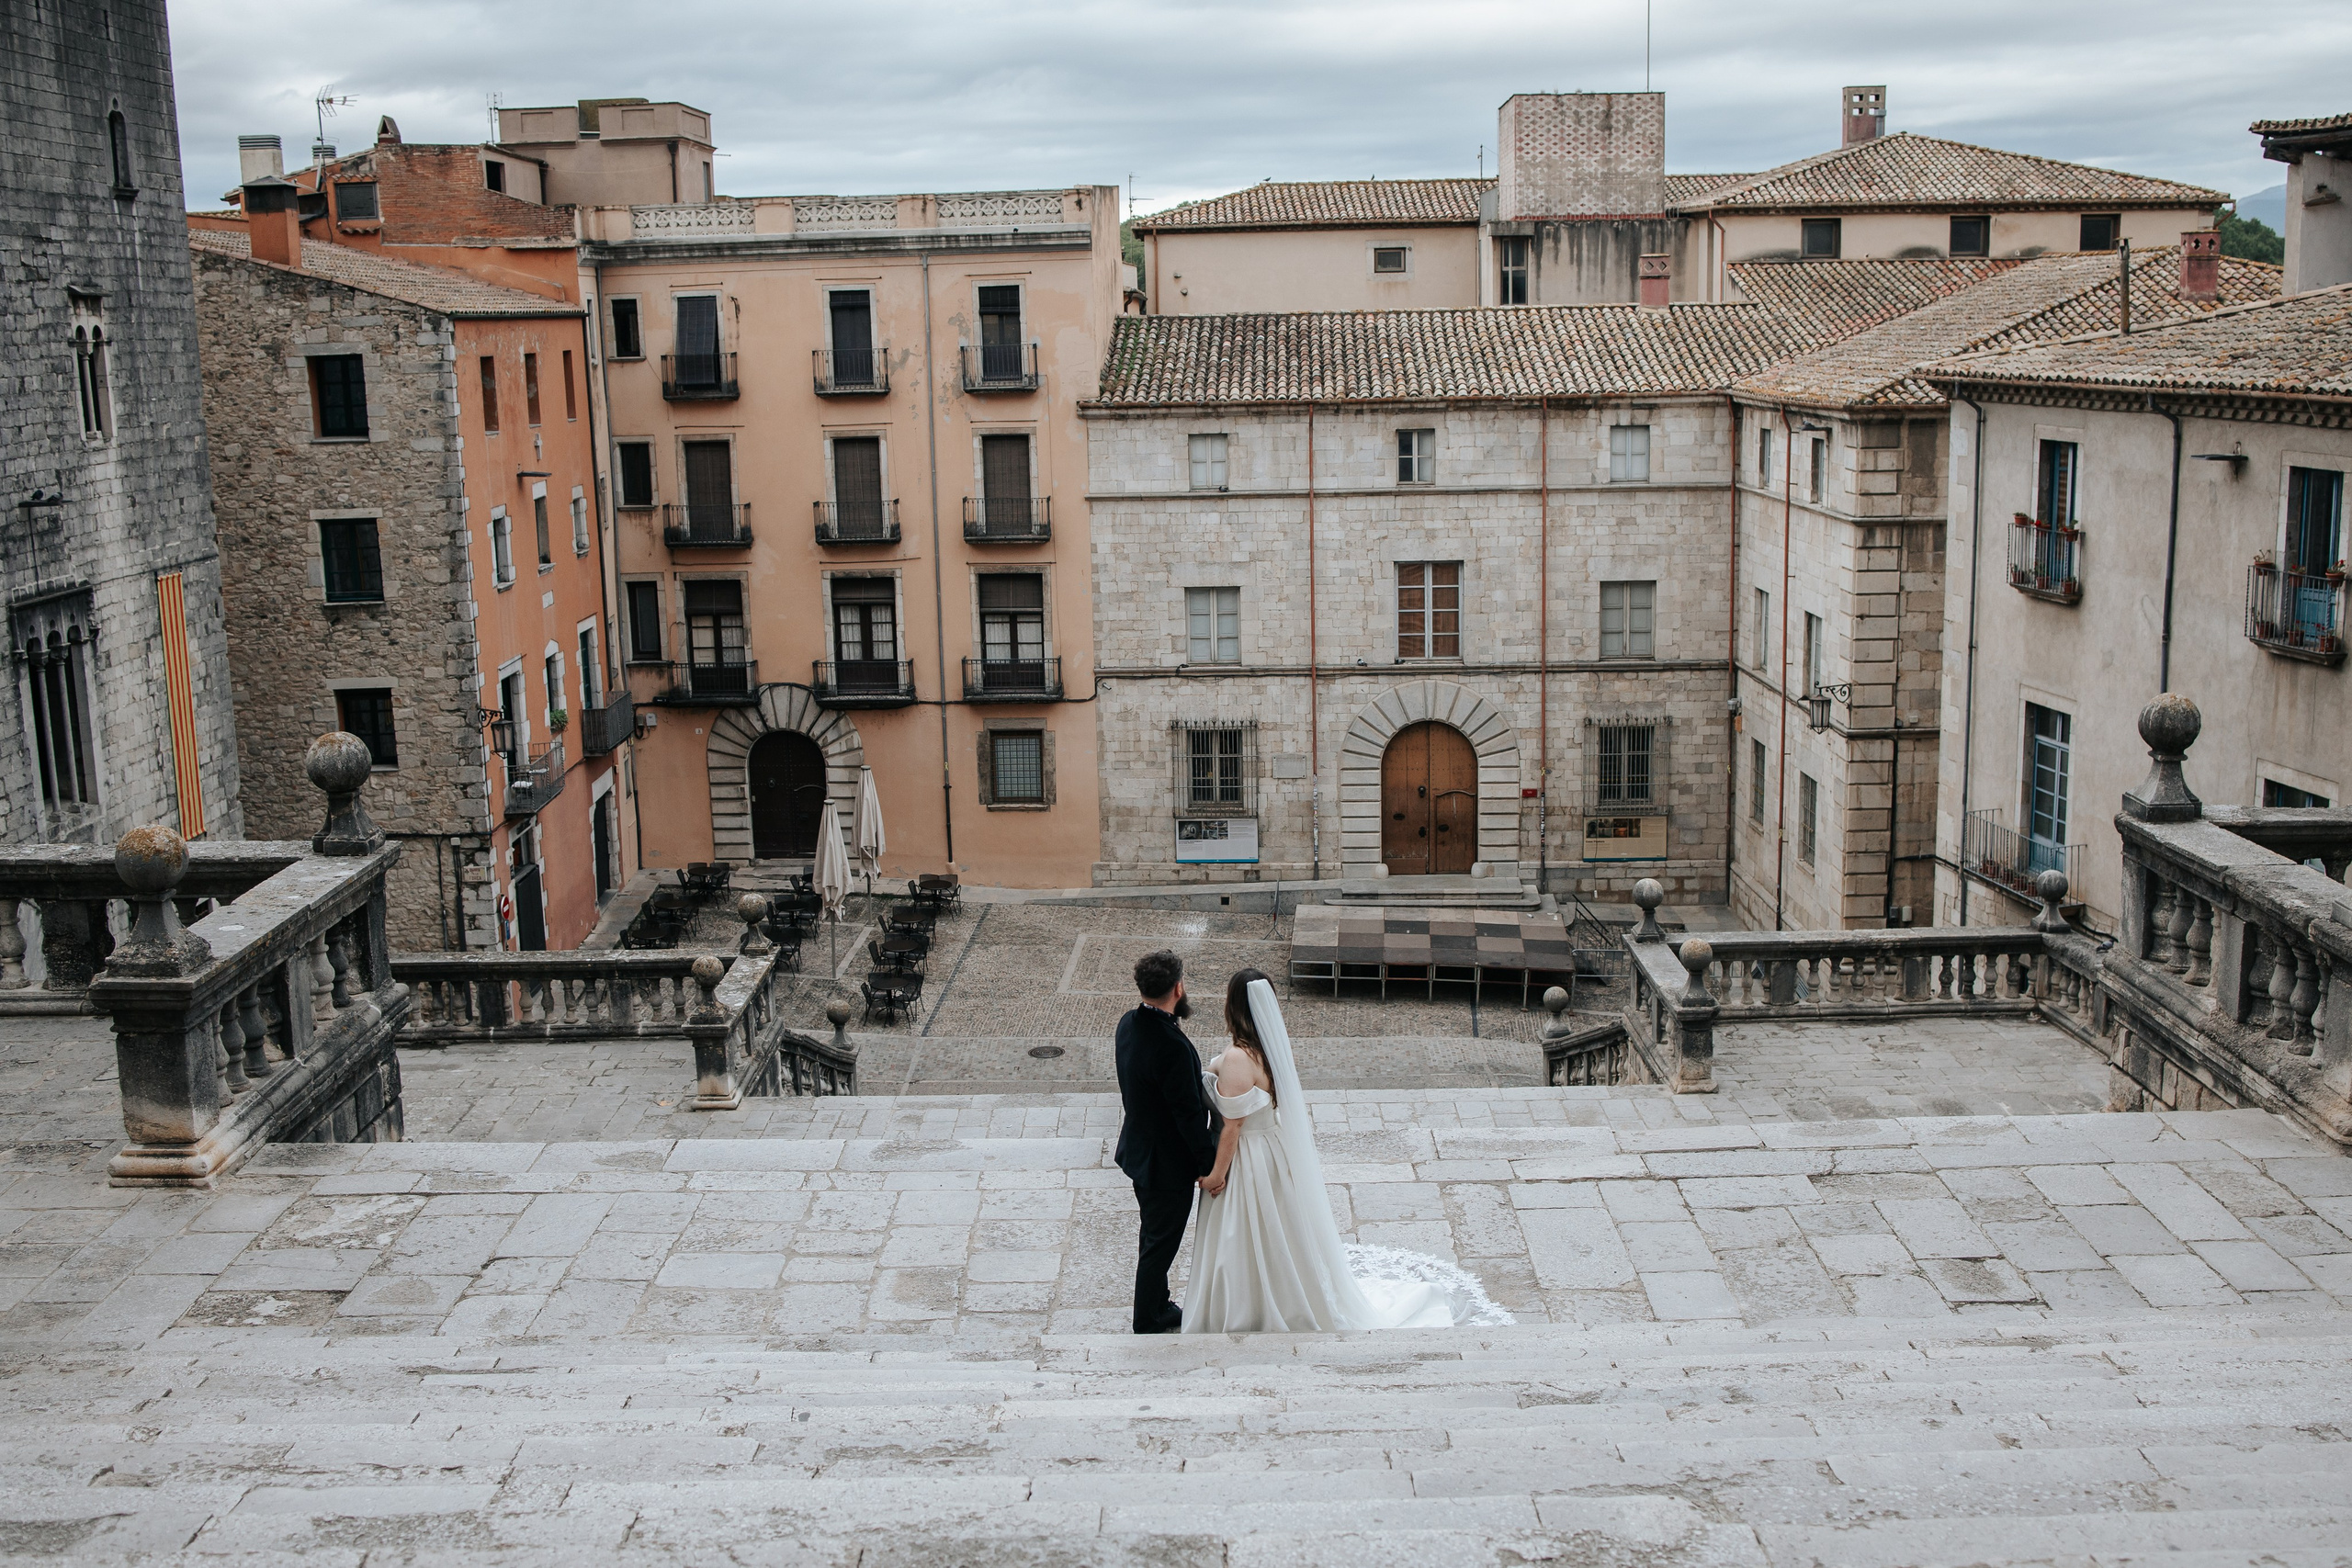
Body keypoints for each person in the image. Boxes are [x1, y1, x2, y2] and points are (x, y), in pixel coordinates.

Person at [1184, 969, 1507, 1334]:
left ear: (1232, 1005)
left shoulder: (1237, 1058)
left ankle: (1248, 1306)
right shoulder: (1268, 1051)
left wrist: (1217, 1174)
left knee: (1241, 1234)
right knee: (1277, 1230)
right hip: (1271, 1150)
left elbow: (1233, 1126)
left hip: (1248, 1158)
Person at [1113, 948, 1221, 1334]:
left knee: (1152, 1234)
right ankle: (1148, 1317)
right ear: (1178, 988)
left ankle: (1159, 1303)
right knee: (1161, 1242)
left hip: (1140, 1151)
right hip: (1166, 1164)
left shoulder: (1128, 1023)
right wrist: (1208, 1163)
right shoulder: (1171, 1045)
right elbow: (1187, 1113)